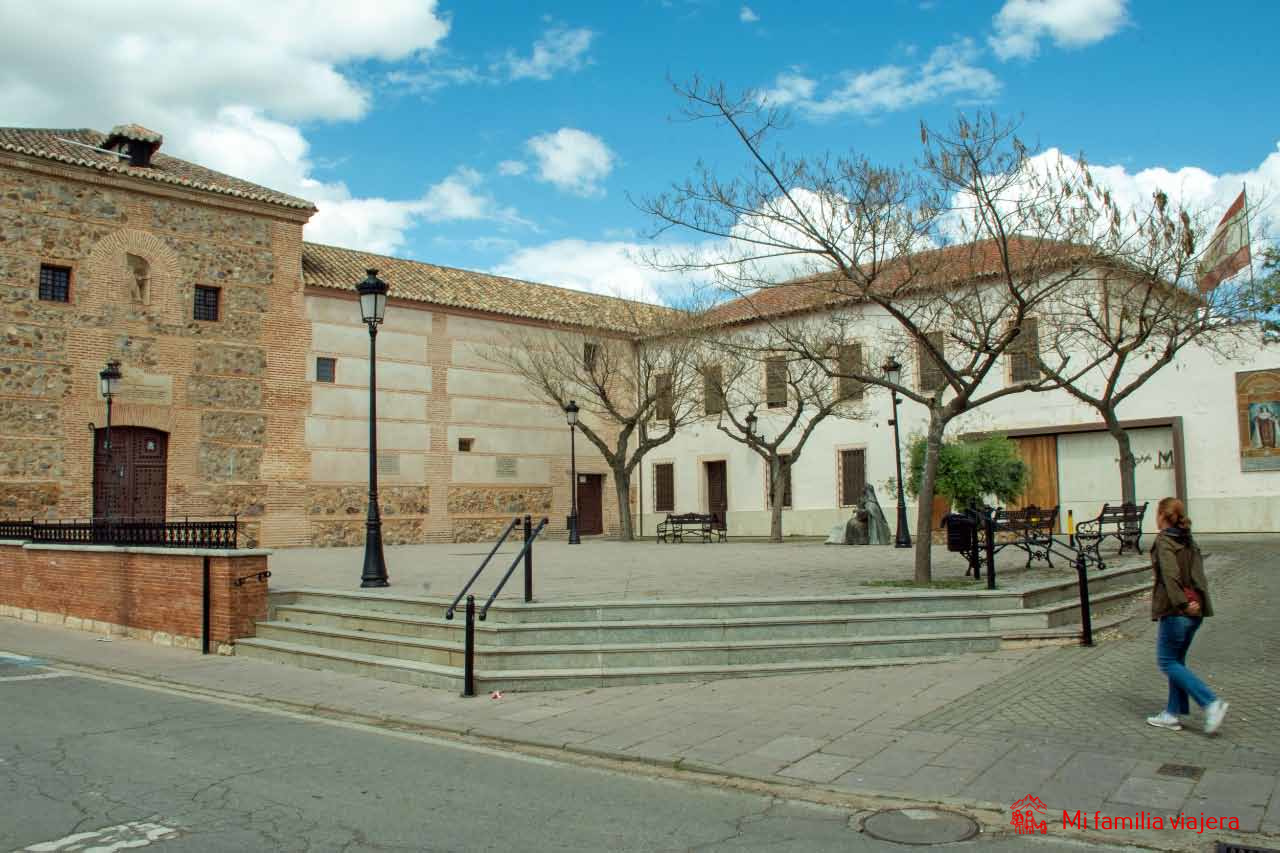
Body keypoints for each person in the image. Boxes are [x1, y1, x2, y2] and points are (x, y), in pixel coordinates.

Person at [1145, 497, 1228, 734]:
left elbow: (1170, 576)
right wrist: (1197, 602)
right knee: (1177, 662)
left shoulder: (1164, 541)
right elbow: (1199, 574)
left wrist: (1182, 603)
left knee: (1167, 661)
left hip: (1177, 610)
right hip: (1195, 611)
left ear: (1162, 516)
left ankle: (1211, 703)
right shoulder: (1187, 538)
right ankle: (1172, 714)